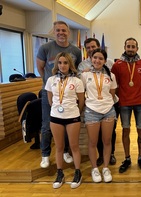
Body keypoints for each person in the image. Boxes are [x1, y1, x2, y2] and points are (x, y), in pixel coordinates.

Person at [36, 20, 82, 168]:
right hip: (50, 91)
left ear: (68, 32)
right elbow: (41, 69)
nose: (61, 33)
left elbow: (77, 69)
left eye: (64, 30)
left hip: (68, 92)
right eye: (58, 30)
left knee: (68, 121)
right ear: (54, 32)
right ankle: (45, 155)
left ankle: (65, 152)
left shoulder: (75, 51)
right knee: (46, 125)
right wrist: (50, 83)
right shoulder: (45, 48)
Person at [45, 52, 85, 189]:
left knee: (74, 146)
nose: (62, 65)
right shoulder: (51, 80)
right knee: (59, 147)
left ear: (70, 64)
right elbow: (51, 100)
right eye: (60, 63)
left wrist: (74, 112)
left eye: (65, 63)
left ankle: (78, 172)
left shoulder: (77, 81)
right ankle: (60, 173)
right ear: (57, 64)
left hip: (73, 117)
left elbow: (81, 102)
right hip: (55, 117)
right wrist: (58, 109)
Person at [111, 37, 141, 173]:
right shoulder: (117, 65)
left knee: (140, 129)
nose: (131, 49)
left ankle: (140, 157)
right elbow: (113, 84)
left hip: (140, 102)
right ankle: (127, 158)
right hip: (124, 103)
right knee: (125, 130)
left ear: (137, 48)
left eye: (133, 47)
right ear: (124, 47)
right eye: (128, 46)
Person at [80, 49, 118, 183]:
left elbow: (112, 94)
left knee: (107, 141)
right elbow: (80, 92)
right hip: (91, 111)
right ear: (91, 58)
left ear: (105, 60)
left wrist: (105, 103)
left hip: (108, 110)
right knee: (92, 142)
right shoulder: (84, 75)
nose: (97, 60)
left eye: (100, 58)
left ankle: (106, 168)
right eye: (95, 57)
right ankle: (95, 168)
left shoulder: (111, 75)